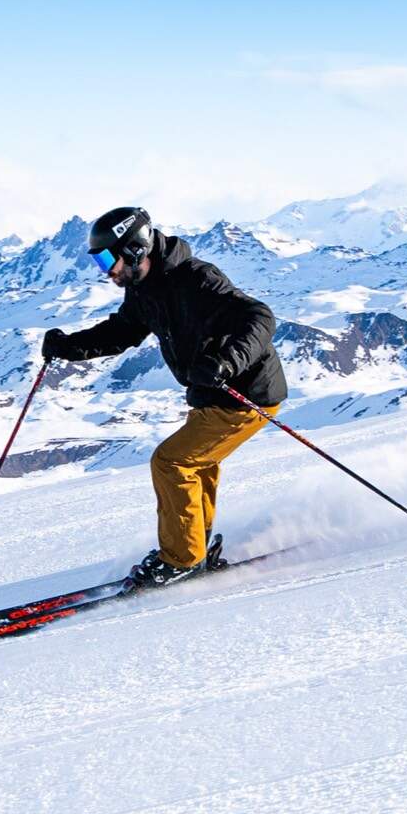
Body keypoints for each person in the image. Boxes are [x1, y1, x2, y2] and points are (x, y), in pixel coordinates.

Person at [40, 207, 289, 586]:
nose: (106, 270)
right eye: (98, 261)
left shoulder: (197, 279)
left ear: (137, 248)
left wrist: (226, 362)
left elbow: (259, 317)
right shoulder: (144, 290)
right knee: (196, 466)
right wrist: (69, 347)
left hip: (243, 392)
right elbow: (121, 331)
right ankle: (194, 547)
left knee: (172, 463)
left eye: (109, 258)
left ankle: (182, 559)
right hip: (210, 395)